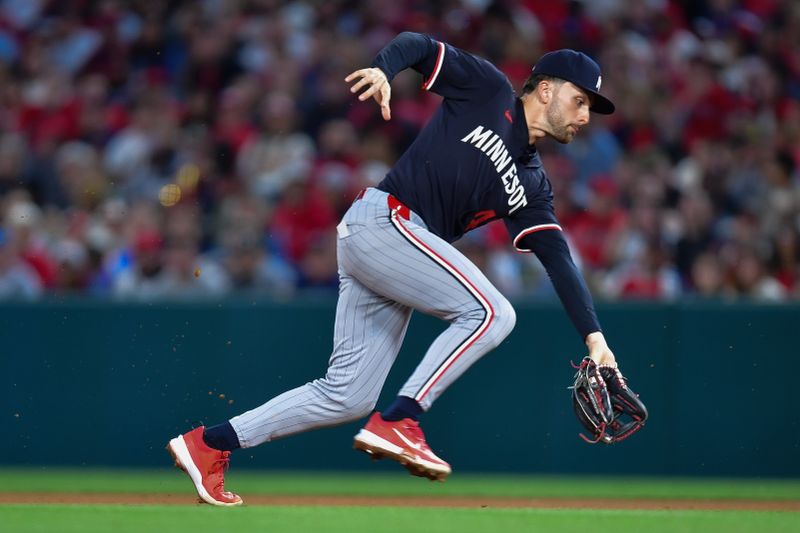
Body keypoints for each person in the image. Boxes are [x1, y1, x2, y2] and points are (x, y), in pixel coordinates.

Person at [167, 31, 620, 506]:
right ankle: (402, 419)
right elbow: (419, 45)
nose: (586, 115)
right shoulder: (489, 90)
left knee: (348, 395)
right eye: (580, 99)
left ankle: (209, 443)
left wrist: (595, 337)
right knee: (493, 313)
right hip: (386, 221)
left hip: (393, 252)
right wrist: (385, 68)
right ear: (546, 90)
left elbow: (558, 260)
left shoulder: (532, 183)